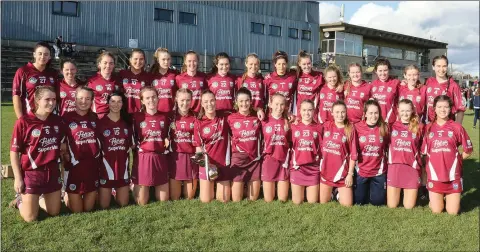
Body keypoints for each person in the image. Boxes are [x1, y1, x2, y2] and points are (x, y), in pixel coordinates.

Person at [10, 86, 64, 222]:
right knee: (30, 218)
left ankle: (39, 198)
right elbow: (14, 152)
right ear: (37, 100)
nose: (51, 103)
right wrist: (18, 178)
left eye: (54, 99)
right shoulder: (24, 122)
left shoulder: (57, 121)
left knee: (54, 212)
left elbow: (63, 144)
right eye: (47, 99)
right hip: (31, 173)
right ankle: (19, 201)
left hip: (52, 171)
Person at [422, 95, 473, 215]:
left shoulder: (457, 127)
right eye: (439, 107)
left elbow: (468, 150)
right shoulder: (428, 128)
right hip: (434, 175)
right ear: (434, 108)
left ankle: (449, 199)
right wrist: (425, 173)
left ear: (451, 109)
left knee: (453, 212)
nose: (443, 110)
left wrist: (457, 160)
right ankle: (436, 200)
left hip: (453, 175)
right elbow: (424, 153)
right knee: (437, 210)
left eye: (446, 107)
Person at [62, 86, 100, 213]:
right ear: (75, 99)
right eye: (81, 98)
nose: (84, 101)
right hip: (74, 166)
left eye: (88, 99)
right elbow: (60, 142)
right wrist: (65, 153)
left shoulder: (95, 118)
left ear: (92, 101)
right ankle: (66, 194)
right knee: (77, 211)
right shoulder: (66, 118)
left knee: (88, 209)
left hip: (92, 165)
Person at [131, 86, 170, 205]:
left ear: (158, 99)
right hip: (144, 157)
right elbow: (132, 140)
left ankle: (152, 185)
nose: (151, 100)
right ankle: (134, 184)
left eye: (153, 97)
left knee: (163, 200)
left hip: (160, 157)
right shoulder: (136, 117)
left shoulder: (165, 117)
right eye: (147, 98)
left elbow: (168, 137)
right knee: (141, 202)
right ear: (142, 101)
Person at [193, 90, 231, 203]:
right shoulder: (199, 123)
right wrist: (207, 166)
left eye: (212, 101)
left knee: (223, 200)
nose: (209, 104)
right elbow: (198, 149)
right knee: (205, 200)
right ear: (202, 104)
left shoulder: (225, 117)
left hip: (224, 163)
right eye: (206, 102)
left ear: (216, 101)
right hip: (207, 165)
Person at [96, 92, 132, 209]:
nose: (115, 104)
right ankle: (100, 192)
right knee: (104, 205)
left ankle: (116, 191)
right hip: (106, 170)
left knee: (123, 203)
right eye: (112, 101)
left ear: (123, 104)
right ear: (108, 103)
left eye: (119, 101)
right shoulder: (100, 123)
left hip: (122, 169)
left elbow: (131, 146)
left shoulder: (127, 123)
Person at [387, 99, 424, 209]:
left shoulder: (419, 127)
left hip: (411, 168)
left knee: (408, 206)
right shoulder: (391, 126)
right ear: (398, 110)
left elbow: (423, 149)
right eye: (402, 110)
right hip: (395, 167)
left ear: (412, 110)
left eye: (408, 110)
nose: (405, 113)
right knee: (392, 205)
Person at [319, 101, 357, 207]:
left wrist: (350, 174)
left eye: (342, 112)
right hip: (326, 172)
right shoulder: (325, 126)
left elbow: (353, 155)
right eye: (337, 112)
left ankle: (336, 193)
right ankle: (332, 192)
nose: (340, 115)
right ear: (332, 113)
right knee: (323, 203)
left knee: (347, 205)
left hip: (342, 175)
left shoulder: (350, 129)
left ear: (346, 112)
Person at [227, 88, 262, 202]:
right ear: (236, 101)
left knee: (253, 199)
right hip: (238, 160)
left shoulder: (258, 117)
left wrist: (259, 109)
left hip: (254, 160)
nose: (244, 104)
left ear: (251, 101)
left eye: (247, 100)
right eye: (241, 101)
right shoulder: (230, 118)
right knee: (236, 199)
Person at [354, 99, 389, 206]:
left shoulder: (384, 127)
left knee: (377, 202)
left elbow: (387, 148)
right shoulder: (357, 127)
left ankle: (373, 190)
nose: (373, 116)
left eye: (376, 113)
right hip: (362, 171)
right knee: (359, 202)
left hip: (378, 172)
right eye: (371, 113)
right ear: (365, 114)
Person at [289, 100, 323, 204]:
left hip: (313, 169)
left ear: (314, 111)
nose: (307, 113)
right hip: (298, 168)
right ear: (299, 111)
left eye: (309, 110)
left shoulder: (320, 128)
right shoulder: (293, 127)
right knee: (297, 202)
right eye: (304, 110)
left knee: (312, 202)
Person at [12, 41, 58, 119]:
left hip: (49, 118)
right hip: (30, 117)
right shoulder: (23, 71)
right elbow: (17, 96)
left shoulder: (53, 73)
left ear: (50, 57)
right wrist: (21, 119)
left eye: (46, 54)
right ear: (34, 54)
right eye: (40, 53)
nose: (43, 57)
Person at [168, 88, 199, 200]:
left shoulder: (196, 117)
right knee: (174, 197)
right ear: (176, 99)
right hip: (175, 157)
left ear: (191, 101)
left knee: (189, 196)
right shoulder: (169, 116)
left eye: (188, 100)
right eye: (182, 100)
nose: (185, 103)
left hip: (191, 158)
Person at [261, 93, 291, 202]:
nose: (279, 107)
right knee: (268, 199)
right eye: (276, 104)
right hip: (269, 160)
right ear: (270, 104)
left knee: (282, 199)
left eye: (282, 104)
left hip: (283, 160)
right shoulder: (264, 121)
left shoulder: (289, 121)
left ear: (285, 106)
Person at [424, 55, 465, 124]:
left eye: (444, 66)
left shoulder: (453, 85)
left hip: (446, 127)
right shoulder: (429, 82)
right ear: (433, 67)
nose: (441, 69)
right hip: (429, 126)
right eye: (438, 66)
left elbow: (460, 110)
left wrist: (457, 128)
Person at [87, 51, 121, 119]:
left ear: (114, 65)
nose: (108, 66)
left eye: (111, 63)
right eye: (105, 63)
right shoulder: (92, 81)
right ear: (99, 64)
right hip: (97, 117)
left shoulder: (118, 81)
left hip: (113, 116)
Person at [119, 48, 152, 114]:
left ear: (144, 61)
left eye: (141, 59)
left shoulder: (148, 76)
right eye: (135, 59)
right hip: (123, 114)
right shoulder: (122, 74)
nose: (138, 61)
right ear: (130, 60)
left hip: (141, 114)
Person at [264, 51, 297, 115]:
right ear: (275, 64)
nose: (281, 66)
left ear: (287, 64)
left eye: (283, 64)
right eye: (279, 64)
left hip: (287, 113)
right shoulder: (268, 78)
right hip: (273, 113)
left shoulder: (292, 78)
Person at [236, 53, 266, 121]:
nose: (253, 66)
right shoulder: (239, 80)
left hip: (258, 114)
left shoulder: (262, 80)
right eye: (251, 64)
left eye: (256, 64)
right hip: (244, 113)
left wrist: (259, 109)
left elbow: (264, 98)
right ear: (246, 64)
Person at [295, 50, 324, 119]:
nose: (307, 66)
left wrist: (340, 85)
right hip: (299, 113)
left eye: (309, 63)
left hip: (312, 113)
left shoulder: (319, 76)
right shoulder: (296, 76)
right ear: (299, 64)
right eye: (304, 64)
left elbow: (332, 81)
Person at [370, 59, 400, 125]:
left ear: (389, 70)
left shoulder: (396, 83)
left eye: (385, 70)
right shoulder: (372, 85)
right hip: (376, 122)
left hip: (390, 122)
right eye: (380, 71)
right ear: (376, 71)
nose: (383, 73)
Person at [150, 48, 178, 116]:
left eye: (168, 59)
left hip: (171, 112)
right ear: (158, 60)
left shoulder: (175, 74)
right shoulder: (151, 75)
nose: (166, 62)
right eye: (163, 59)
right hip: (155, 112)